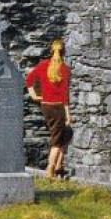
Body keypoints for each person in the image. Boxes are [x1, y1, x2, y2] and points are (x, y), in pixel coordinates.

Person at [25, 38, 72, 180]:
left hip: (46, 106)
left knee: (67, 134)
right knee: (57, 140)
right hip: (58, 107)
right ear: (64, 52)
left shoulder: (43, 65)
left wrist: (34, 95)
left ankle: (59, 165)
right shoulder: (65, 69)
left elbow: (29, 80)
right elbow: (64, 96)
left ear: (51, 51)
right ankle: (50, 169)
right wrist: (68, 115)